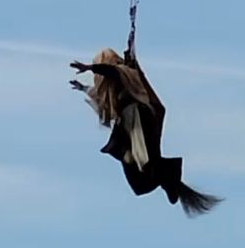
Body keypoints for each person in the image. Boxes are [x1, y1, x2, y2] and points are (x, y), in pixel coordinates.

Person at [70, 48, 222, 217]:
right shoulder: (113, 85)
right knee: (140, 179)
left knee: (144, 163)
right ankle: (167, 180)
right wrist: (83, 88)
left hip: (139, 118)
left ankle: (166, 179)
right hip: (131, 125)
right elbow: (102, 97)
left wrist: (91, 68)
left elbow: (114, 72)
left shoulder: (124, 72)